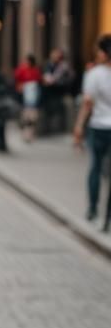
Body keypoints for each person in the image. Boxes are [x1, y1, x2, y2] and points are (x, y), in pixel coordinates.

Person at [73, 35, 111, 232]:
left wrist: (78, 127)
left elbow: (87, 104)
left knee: (95, 168)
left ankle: (93, 209)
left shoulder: (94, 74)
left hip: (98, 127)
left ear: (104, 53)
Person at [42, 47, 75, 133]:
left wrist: (59, 82)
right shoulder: (48, 65)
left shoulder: (64, 66)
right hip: (49, 92)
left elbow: (71, 77)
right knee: (49, 110)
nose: (56, 56)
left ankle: (59, 128)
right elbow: (45, 78)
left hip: (60, 91)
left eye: (57, 55)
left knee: (60, 110)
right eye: (54, 54)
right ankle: (48, 128)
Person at [14, 53, 43, 142]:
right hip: (25, 94)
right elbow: (16, 77)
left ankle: (30, 134)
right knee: (26, 116)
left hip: (33, 93)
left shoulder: (35, 70)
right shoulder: (22, 69)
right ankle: (26, 134)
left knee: (32, 116)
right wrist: (20, 86)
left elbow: (39, 80)